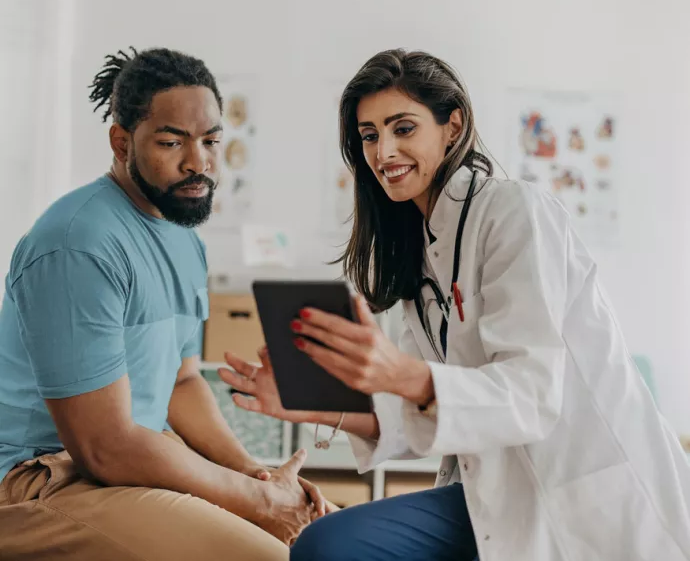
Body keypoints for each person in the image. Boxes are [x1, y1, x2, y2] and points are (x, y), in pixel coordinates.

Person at [221, 49, 690, 561]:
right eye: (370, 135)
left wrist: (399, 374)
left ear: (453, 126)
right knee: (327, 544)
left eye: (403, 128)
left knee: (330, 546)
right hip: (492, 495)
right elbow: (424, 415)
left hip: (583, 498)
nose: (384, 152)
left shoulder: (514, 213)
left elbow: (531, 394)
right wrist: (325, 408)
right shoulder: (419, 255)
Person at [0, 47, 327, 561]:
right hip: (42, 477)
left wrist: (256, 475)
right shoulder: (78, 243)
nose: (198, 162)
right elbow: (104, 445)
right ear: (121, 141)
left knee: (309, 538)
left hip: (124, 465)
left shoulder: (183, 239)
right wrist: (257, 501)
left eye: (212, 141)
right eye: (172, 142)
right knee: (264, 555)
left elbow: (182, 381)